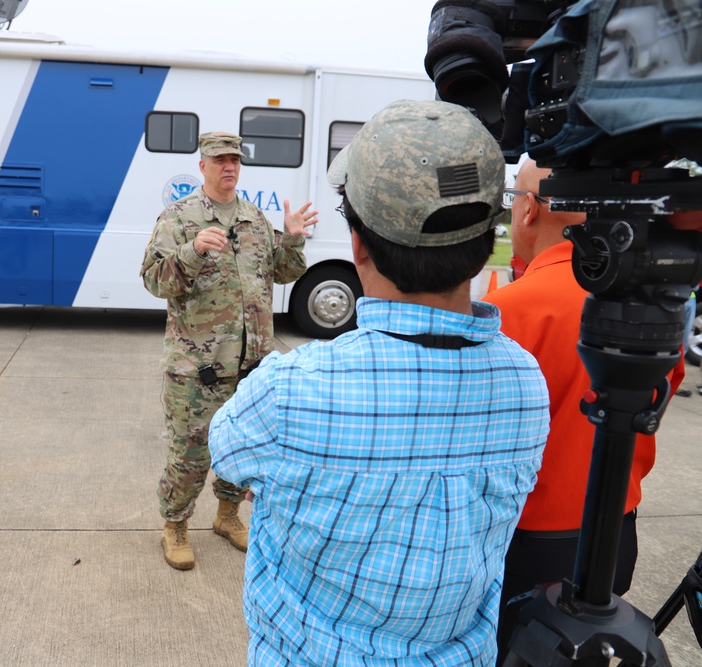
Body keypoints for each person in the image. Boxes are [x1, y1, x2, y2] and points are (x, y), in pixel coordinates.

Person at [208, 100, 550, 666]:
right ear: (489, 241)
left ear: (359, 244)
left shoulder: (292, 390)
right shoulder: (524, 384)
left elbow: (229, 456)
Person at [483, 157, 686, 663]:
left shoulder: (507, 310)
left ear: (529, 210)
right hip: (616, 530)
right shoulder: (647, 306)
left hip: (528, 547)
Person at [140, 131, 318, 571]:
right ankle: (176, 526)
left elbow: (283, 272)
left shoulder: (255, 219)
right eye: (220, 159)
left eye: (235, 159)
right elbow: (153, 279)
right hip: (197, 367)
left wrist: (292, 239)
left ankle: (226, 516)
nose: (229, 167)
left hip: (251, 366)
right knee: (190, 452)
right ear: (202, 165)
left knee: (244, 449)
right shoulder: (179, 217)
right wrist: (192, 250)